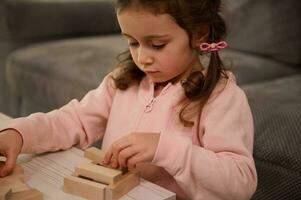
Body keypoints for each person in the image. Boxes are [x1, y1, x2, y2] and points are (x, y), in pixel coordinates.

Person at [0, 0, 257, 199]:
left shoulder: (222, 97)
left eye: (156, 44)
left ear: (199, 34)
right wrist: (20, 134)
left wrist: (165, 149)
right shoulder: (123, 82)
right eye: (133, 43)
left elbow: (240, 183)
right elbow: (74, 120)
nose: (142, 58)